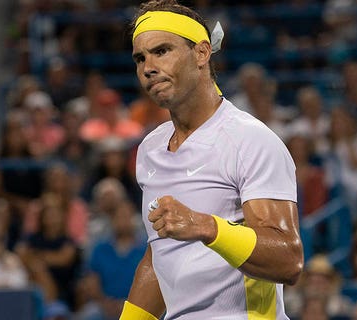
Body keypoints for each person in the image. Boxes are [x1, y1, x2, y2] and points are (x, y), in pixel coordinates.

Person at [121, 1, 303, 319]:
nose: (148, 67)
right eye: (140, 58)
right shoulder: (150, 149)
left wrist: (206, 226)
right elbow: (159, 257)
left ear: (202, 53)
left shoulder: (250, 140)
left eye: (161, 51)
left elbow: (288, 259)